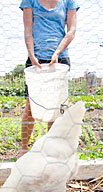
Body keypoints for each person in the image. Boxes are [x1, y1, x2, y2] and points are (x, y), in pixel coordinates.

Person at [19, 0, 80, 158]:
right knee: (31, 106)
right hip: (36, 60)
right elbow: (28, 31)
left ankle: (50, 150)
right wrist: (32, 55)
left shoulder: (68, 2)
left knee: (55, 108)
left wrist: (57, 52)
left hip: (59, 60)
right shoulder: (30, 1)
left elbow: (71, 31)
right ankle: (24, 148)